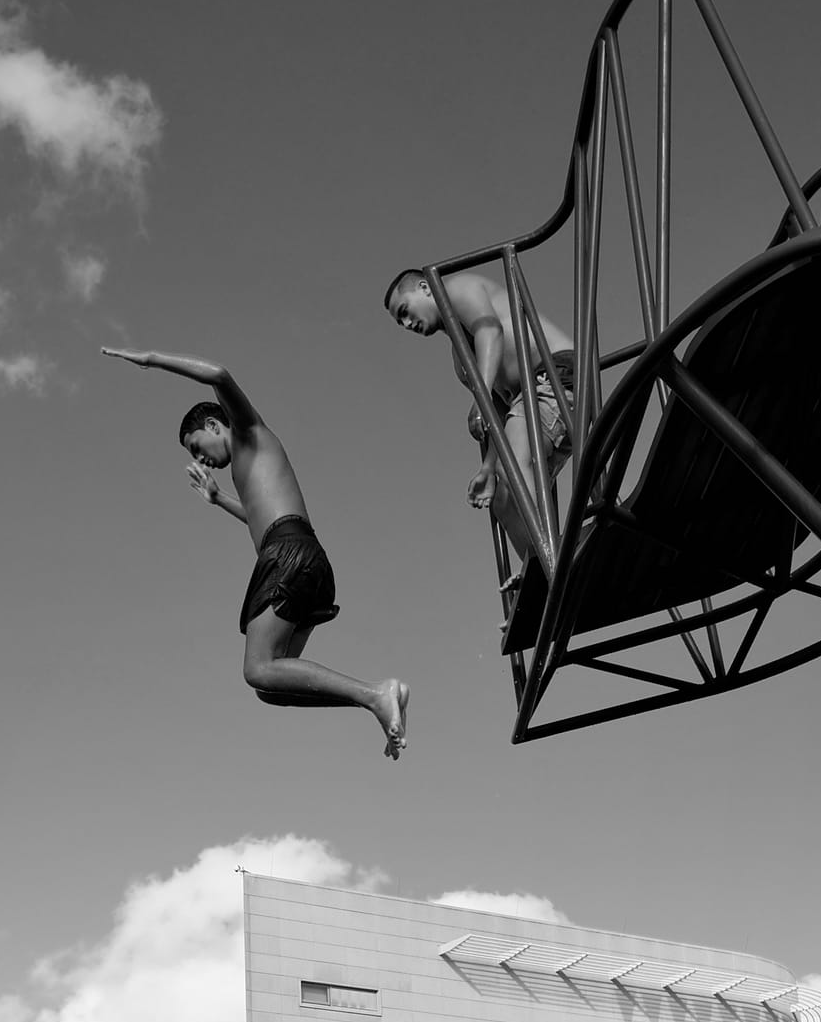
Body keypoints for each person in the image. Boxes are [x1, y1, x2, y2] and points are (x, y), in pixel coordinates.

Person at [102, 345, 409, 758]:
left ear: (215, 424)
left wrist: (151, 360)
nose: (201, 460)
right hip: (304, 556)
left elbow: (219, 374)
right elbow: (260, 519)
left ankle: (375, 693)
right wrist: (218, 499)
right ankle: (374, 701)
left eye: (197, 448)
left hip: (288, 555)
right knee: (270, 686)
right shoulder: (247, 468)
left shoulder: (250, 435)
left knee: (257, 668)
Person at [384, 267, 576, 573]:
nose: (407, 324)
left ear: (424, 288)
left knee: (513, 466)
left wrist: (481, 396)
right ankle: (539, 571)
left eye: (405, 311)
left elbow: (491, 331)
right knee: (501, 500)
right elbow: (503, 412)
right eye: (400, 322)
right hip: (529, 401)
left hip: (558, 376)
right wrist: (487, 467)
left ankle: (557, 560)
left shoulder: (456, 288)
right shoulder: (462, 361)